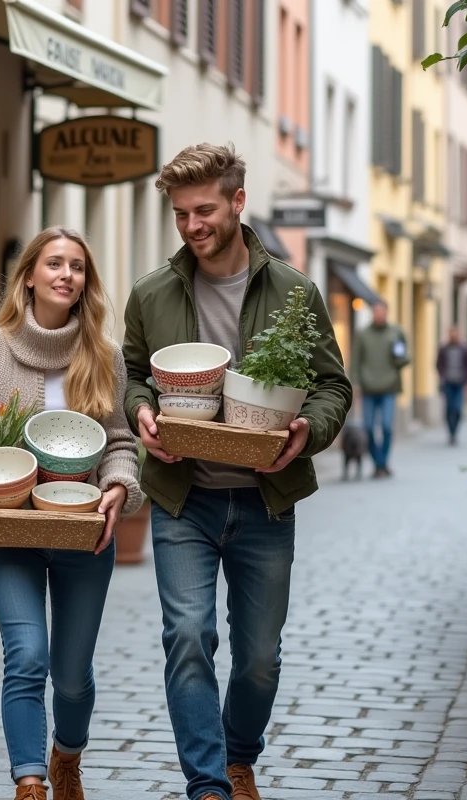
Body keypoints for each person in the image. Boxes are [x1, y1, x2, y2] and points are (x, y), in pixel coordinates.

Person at [121, 143, 352, 800]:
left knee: (257, 661)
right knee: (189, 637)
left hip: (264, 501)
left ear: (237, 202)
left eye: (204, 210)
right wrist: (141, 414)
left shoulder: (293, 291)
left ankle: (239, 754)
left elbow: (331, 387)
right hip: (183, 497)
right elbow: (133, 377)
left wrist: (307, 431)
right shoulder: (152, 294)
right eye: (181, 214)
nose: (193, 226)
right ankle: (208, 786)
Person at [0, 226, 143, 800]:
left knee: (71, 678)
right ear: (29, 275)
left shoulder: (102, 355)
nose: (66, 275)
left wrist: (119, 487)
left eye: (76, 266)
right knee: (26, 658)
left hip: (84, 534)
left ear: (85, 282)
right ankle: (29, 782)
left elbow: (121, 442)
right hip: (12, 530)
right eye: (54, 263)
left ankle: (66, 758)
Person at [353, 301, 410, 478]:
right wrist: (355, 384)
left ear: (387, 313)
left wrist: (398, 357)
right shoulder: (363, 334)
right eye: (375, 311)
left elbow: (404, 359)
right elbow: (355, 362)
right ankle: (378, 463)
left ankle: (382, 463)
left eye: (381, 311)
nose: (378, 314)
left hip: (389, 387)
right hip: (369, 388)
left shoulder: (396, 333)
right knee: (368, 427)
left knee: (386, 426)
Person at [435, 327, 467, 445]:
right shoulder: (444, 349)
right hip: (448, 382)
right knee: (449, 408)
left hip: (460, 382)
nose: (454, 336)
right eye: (452, 334)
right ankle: (450, 432)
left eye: (456, 334)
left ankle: (455, 431)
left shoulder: (464, 349)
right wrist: (442, 377)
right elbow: (438, 364)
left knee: (457, 408)